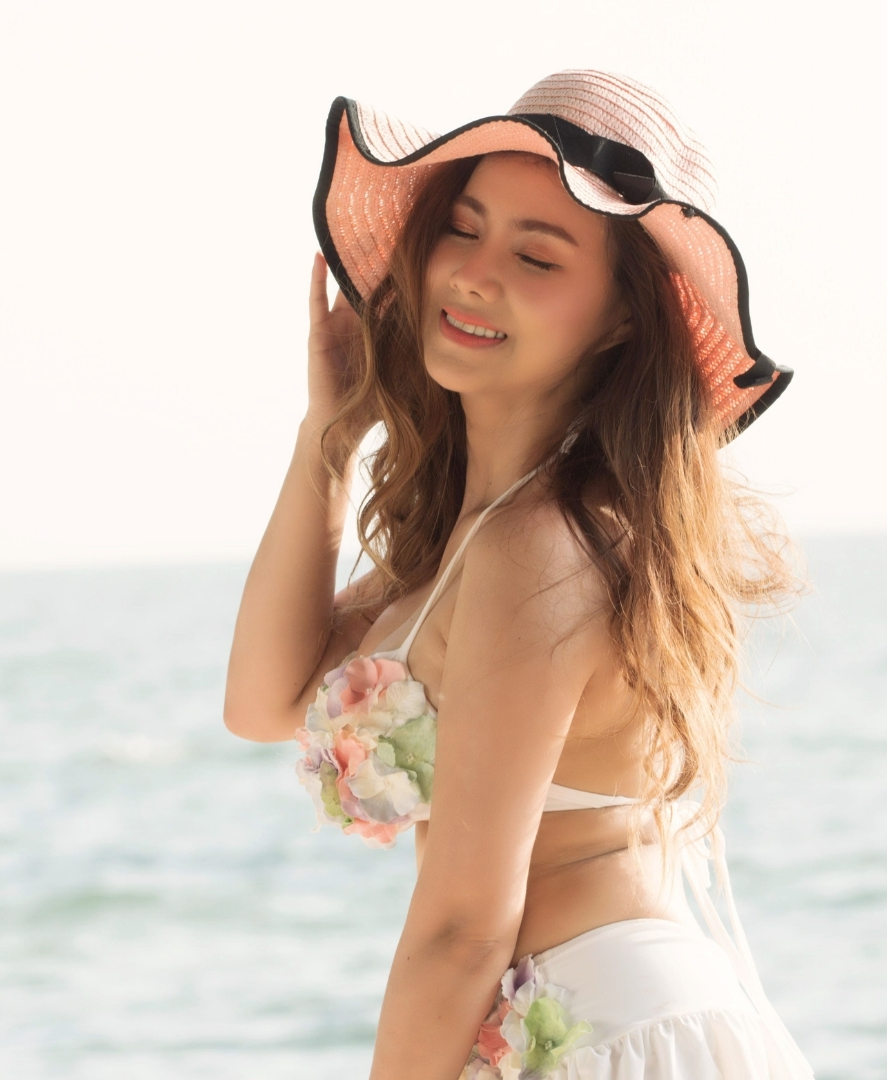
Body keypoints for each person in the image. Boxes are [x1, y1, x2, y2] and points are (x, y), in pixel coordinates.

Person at [224, 70, 814, 1080]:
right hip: (563, 1022)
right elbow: (262, 701)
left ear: (625, 318)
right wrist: (327, 437)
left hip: (609, 1029)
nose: (476, 273)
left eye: (536, 253)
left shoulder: (541, 547)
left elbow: (462, 926)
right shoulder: (482, 533)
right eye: (464, 227)